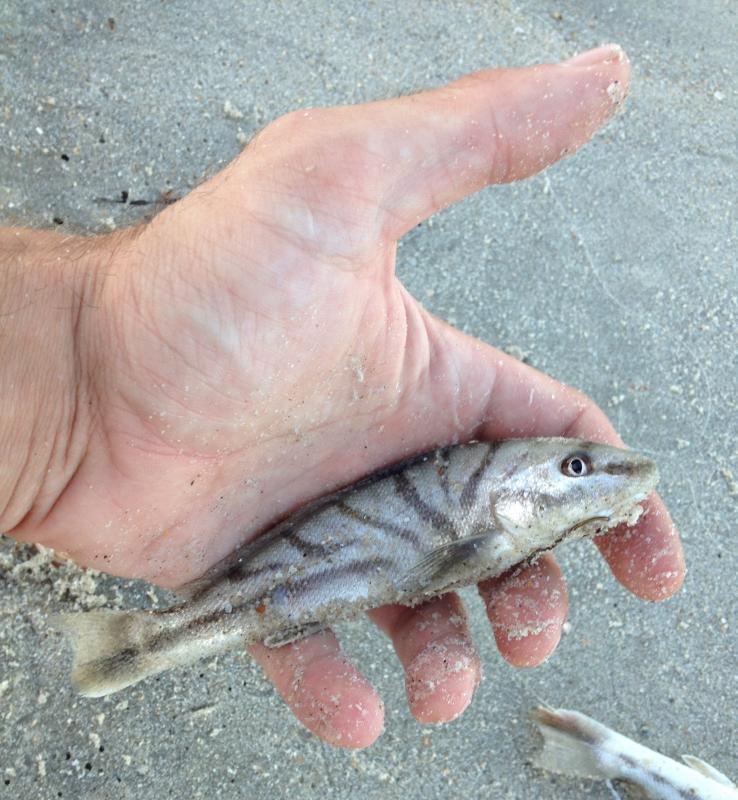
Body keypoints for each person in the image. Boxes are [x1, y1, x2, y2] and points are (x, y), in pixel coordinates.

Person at [0, 44, 684, 748]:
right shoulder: (489, 522)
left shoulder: (495, 519)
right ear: (506, 483)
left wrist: (73, 373)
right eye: (574, 468)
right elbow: (443, 559)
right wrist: (81, 359)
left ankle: (153, 638)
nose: (587, 475)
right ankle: (148, 640)